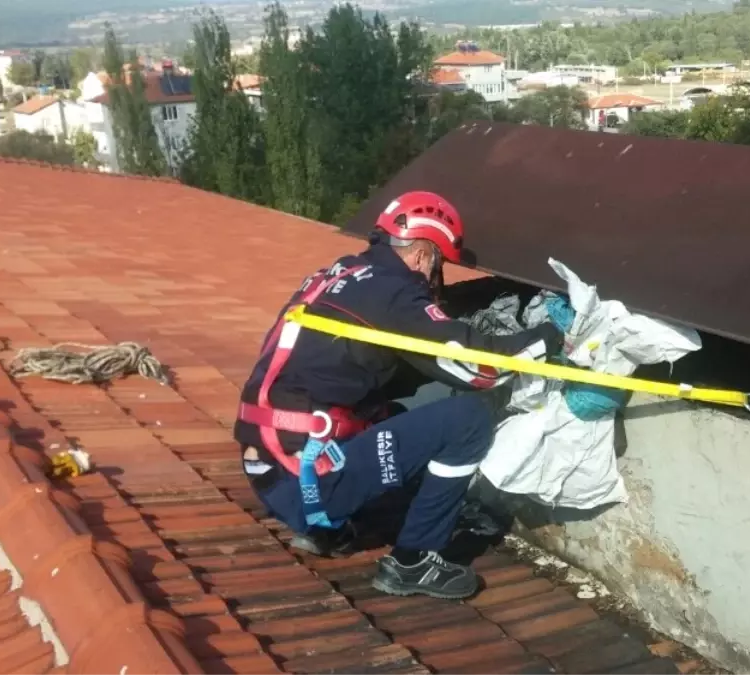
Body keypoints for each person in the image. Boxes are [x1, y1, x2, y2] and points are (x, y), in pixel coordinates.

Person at [234, 190, 564, 600]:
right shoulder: (393, 291)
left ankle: (334, 525)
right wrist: (553, 336)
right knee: (468, 419)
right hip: (305, 480)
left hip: (271, 465)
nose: (434, 280)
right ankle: (414, 560)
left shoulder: (340, 274)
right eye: (439, 266)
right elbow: (479, 367)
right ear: (424, 256)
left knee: (393, 407)